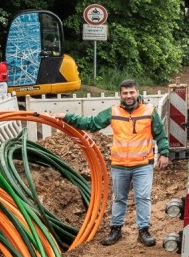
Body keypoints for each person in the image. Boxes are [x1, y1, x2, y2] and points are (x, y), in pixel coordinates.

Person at [59, 79, 170, 246]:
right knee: (119, 198)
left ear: (137, 92)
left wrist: (164, 153)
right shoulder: (113, 112)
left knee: (142, 198)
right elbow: (91, 123)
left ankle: (144, 231)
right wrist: (67, 117)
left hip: (143, 164)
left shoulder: (149, 111)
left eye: (131, 92)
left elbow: (160, 134)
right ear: (120, 95)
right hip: (119, 165)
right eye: (125, 93)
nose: (129, 96)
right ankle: (115, 230)